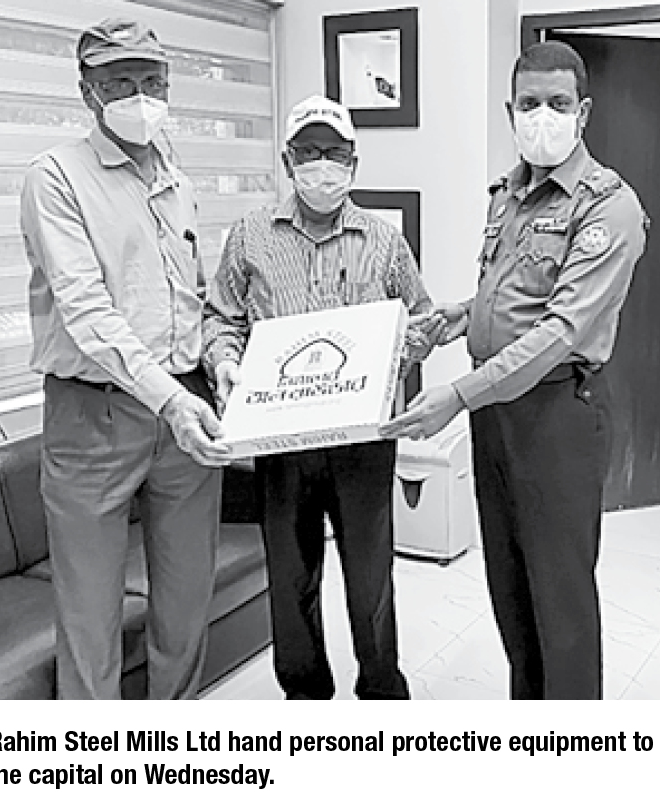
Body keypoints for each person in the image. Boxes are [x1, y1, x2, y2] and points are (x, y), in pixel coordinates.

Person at [381, 41, 648, 699]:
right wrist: (457, 317)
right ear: (510, 111)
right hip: (497, 414)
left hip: (556, 412)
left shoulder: (607, 205)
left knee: (559, 593)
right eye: (529, 103)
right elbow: (511, 295)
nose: (542, 116)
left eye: (558, 103)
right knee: (509, 580)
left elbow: (560, 331)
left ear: (583, 112)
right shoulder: (508, 195)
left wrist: (457, 396)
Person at [20, 18, 231, 700]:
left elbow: (191, 297)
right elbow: (86, 312)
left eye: (152, 81)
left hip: (187, 405)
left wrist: (218, 363)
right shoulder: (56, 178)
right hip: (95, 414)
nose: (141, 96)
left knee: (187, 594)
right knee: (89, 613)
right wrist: (169, 398)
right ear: (88, 91)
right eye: (120, 82)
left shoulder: (177, 180)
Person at [203, 95, 434, 700]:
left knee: (370, 576)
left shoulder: (384, 240)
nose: (322, 164)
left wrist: (390, 359)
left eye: (334, 152)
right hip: (281, 440)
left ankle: (381, 688)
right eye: (308, 151)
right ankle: (305, 694)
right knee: (290, 576)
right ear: (288, 160)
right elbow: (221, 317)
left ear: (353, 161)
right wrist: (225, 361)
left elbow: (422, 317)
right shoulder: (250, 236)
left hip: (363, 442)